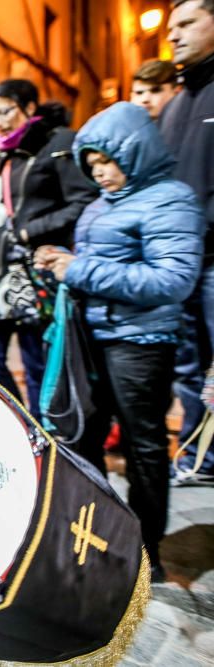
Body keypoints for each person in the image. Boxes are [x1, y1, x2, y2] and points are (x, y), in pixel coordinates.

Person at [35, 102, 204, 582]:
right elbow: (103, 263)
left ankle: (145, 552)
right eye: (91, 165)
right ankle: (103, 532)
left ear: (133, 152)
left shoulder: (171, 199)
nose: (99, 173)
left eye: (106, 161)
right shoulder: (100, 205)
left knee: (143, 447)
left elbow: (173, 279)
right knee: (85, 436)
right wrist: (62, 262)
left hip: (141, 342)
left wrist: (81, 268)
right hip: (95, 339)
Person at [0, 79, 97, 421]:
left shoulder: (59, 144)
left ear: (29, 107)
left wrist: (32, 231)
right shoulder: (8, 153)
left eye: (3, 112)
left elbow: (83, 202)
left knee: (37, 365)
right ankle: (21, 423)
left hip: (37, 271)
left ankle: (44, 436)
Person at [161, 0, 214, 482]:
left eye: (186, 24)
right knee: (191, 368)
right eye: (170, 26)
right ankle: (202, 459)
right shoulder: (176, 104)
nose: (173, 35)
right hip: (181, 266)